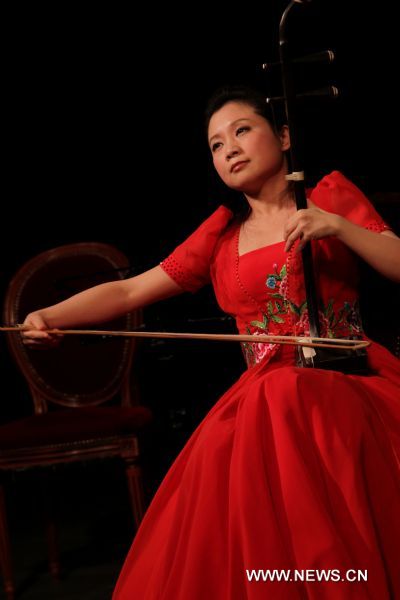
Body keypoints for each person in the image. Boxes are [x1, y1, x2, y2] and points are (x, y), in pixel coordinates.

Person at [22, 86, 400, 599]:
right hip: (268, 398)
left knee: (287, 398)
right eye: (217, 145)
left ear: (284, 136)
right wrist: (51, 315)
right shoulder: (222, 237)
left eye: (242, 131)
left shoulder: (329, 196)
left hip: (345, 382)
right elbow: (133, 288)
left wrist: (336, 227)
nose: (231, 150)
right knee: (255, 422)